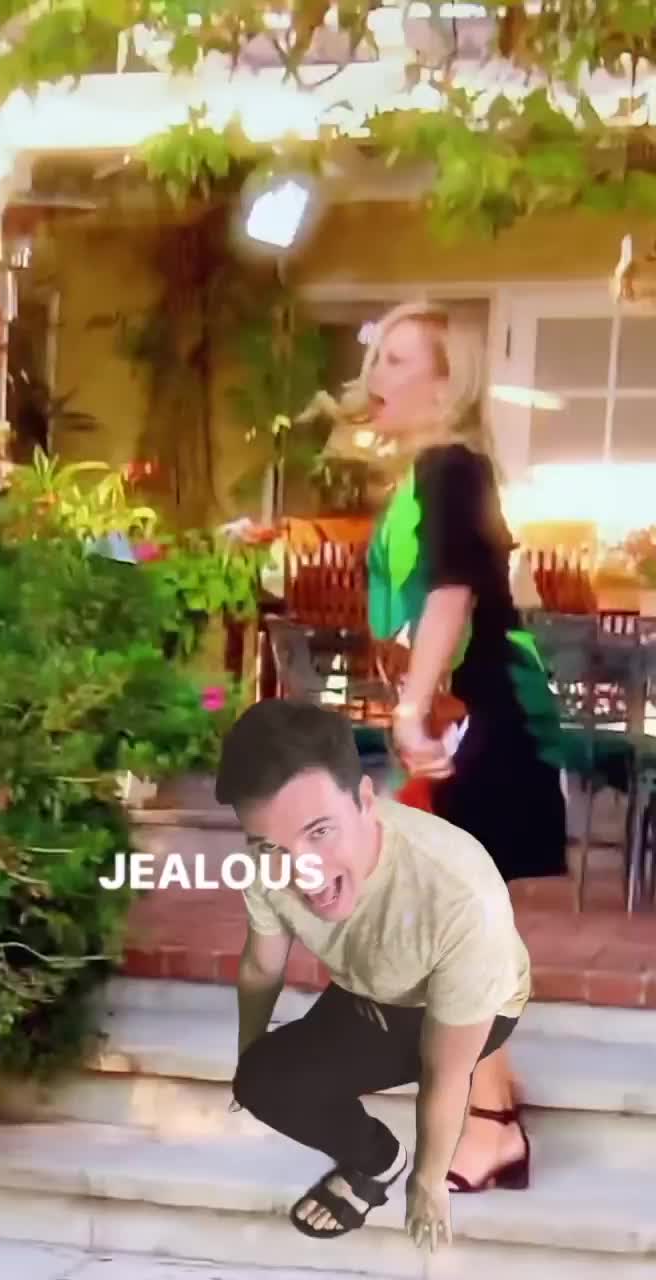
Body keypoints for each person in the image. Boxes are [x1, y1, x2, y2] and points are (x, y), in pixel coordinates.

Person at [345, 302, 566, 1192]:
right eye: (380, 358)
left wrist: (411, 711)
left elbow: (450, 594)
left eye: (400, 361)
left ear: (449, 383)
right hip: (465, 717)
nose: (378, 377)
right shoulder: (437, 472)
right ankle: (491, 1107)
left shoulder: (450, 468)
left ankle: (492, 1122)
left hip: (480, 721)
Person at [217, 699, 532, 1251]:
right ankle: (379, 1158)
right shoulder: (268, 864)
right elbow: (262, 964)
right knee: (263, 1080)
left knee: (435, 1051)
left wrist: (428, 1181)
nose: (303, 871)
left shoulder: (459, 896)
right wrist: (251, 1049)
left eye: (320, 832)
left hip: (453, 1001)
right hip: (370, 983)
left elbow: (445, 1072)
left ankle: (385, 1170)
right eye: (271, 846)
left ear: (366, 801)